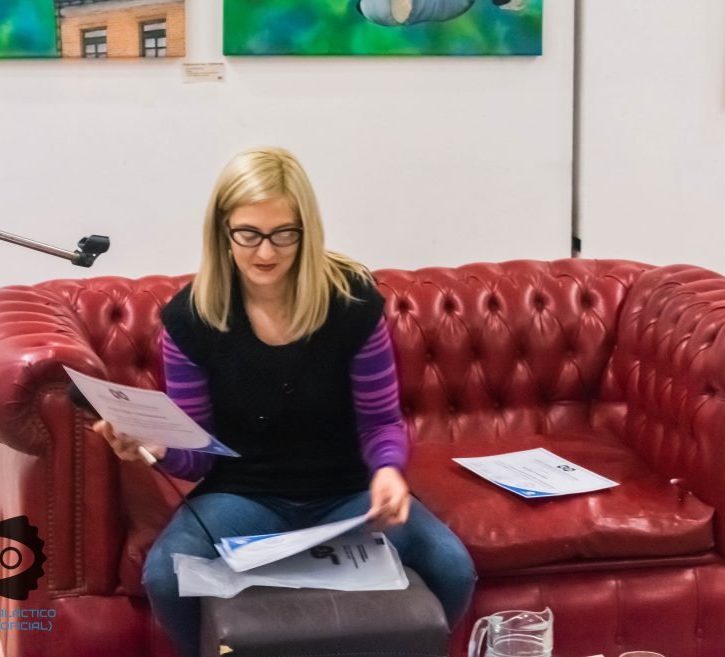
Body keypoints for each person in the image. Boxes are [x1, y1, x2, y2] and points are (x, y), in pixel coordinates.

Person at [94, 146, 476, 657]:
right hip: (244, 495)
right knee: (166, 575)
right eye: (248, 234)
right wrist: (158, 446)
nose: (265, 252)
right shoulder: (191, 319)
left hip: (347, 494)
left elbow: (380, 421)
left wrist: (388, 470)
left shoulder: (351, 303)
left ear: (306, 231)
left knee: (453, 568)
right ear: (223, 232)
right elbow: (199, 456)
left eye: (283, 234)